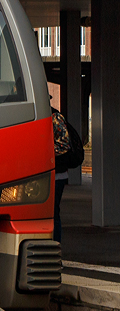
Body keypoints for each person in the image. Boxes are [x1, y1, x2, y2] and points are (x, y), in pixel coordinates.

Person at [51, 102, 85, 242]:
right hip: (51, 173)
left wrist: (42, 150)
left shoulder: (55, 117)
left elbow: (64, 145)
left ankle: (56, 246)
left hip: (57, 174)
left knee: (53, 212)